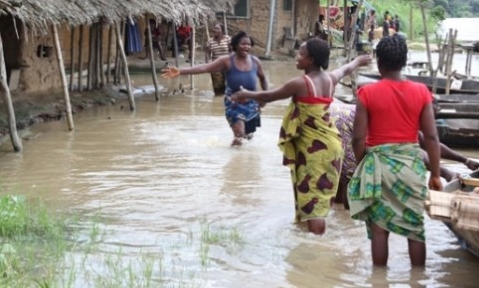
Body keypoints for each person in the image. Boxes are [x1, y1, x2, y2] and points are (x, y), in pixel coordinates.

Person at [231, 38, 371, 235]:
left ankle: (316, 250)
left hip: (315, 150)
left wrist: (246, 93)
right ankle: (309, 239)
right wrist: (358, 61)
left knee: (314, 203)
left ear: (311, 60)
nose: (296, 57)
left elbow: (270, 96)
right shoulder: (330, 79)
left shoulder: (300, 83)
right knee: (318, 196)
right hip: (331, 145)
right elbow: (346, 69)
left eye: (301, 55)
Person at [347, 36, 444, 268]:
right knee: (415, 229)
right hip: (411, 167)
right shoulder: (421, 92)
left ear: (379, 63)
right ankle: (417, 280)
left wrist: (363, 164)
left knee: (379, 230)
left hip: (379, 168)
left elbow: (358, 138)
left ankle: (378, 281)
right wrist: (436, 174)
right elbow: (431, 137)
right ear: (405, 62)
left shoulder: (367, 93)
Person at [331, 101, 479, 209]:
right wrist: (446, 173)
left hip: (338, 115)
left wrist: (465, 160)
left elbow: (429, 143)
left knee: (346, 176)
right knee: (351, 179)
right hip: (341, 124)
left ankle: (338, 212)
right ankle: (345, 221)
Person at [162, 31, 268, 146]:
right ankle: (234, 161)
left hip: (252, 103)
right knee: (239, 136)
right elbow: (205, 68)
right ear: (235, 46)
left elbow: (263, 78)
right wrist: (181, 71)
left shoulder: (255, 61)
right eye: (243, 44)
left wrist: (265, 97)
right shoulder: (226, 60)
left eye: (248, 44)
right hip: (234, 102)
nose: (246, 46)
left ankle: (243, 161)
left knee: (248, 136)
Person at [205, 23, 232, 96]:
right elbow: (207, 53)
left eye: (217, 28)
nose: (215, 30)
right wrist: (208, 64)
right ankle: (218, 100)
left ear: (222, 31)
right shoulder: (210, 41)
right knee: (217, 88)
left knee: (228, 85)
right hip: (215, 66)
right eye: (214, 28)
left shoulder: (228, 39)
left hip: (227, 65)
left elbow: (231, 51)